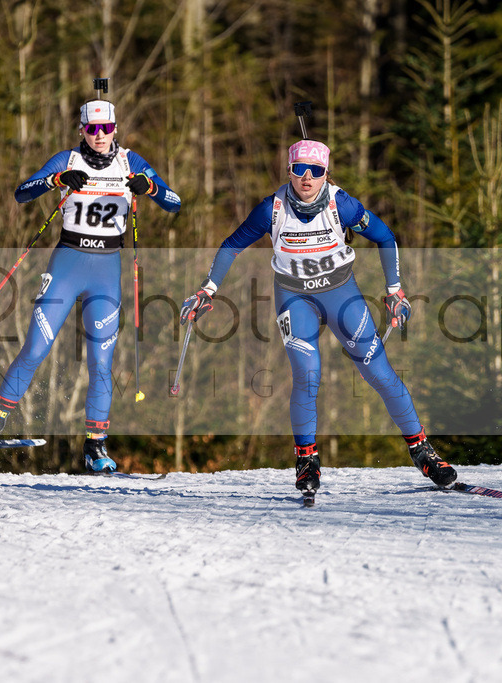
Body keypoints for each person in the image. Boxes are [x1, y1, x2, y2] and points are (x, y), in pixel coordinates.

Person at [180, 139, 455, 498]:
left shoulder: (342, 204)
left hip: (342, 295)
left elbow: (386, 237)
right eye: (299, 169)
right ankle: (306, 461)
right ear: (289, 170)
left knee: (379, 372)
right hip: (295, 299)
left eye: (316, 170)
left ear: (327, 173)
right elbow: (232, 244)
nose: (307, 178)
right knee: (307, 376)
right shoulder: (272, 209)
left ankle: (423, 452)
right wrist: (208, 290)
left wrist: (395, 289)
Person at [0, 99, 181, 472]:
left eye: (105, 128)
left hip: (107, 271)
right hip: (67, 263)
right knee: (35, 348)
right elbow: (22, 191)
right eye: (91, 129)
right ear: (81, 130)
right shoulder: (66, 161)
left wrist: (151, 187)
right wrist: (55, 181)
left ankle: (96, 445)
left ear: (115, 129)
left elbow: (174, 202)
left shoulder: (130, 162)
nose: (99, 136)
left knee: (101, 362)